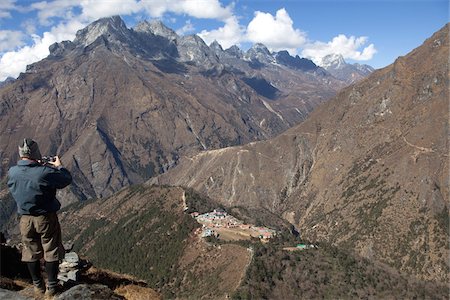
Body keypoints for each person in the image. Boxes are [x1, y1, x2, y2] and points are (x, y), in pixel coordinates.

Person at [7, 138, 72, 298]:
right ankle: (51, 287)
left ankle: (38, 287)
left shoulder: (12, 172)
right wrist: (59, 166)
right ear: (36, 152)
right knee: (51, 250)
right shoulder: (44, 172)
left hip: (25, 219)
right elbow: (66, 179)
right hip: (45, 218)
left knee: (30, 252)